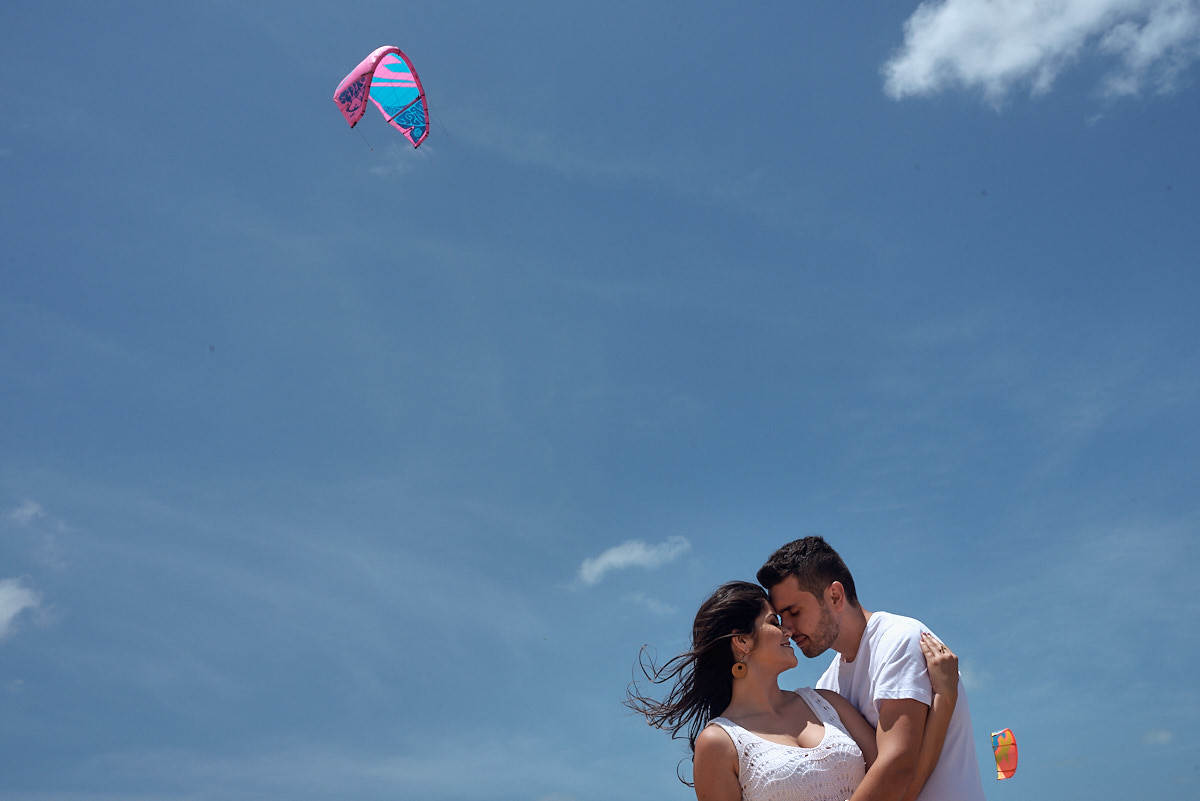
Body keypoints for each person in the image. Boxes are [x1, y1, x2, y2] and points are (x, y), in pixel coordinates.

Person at [626, 581, 961, 801]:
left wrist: (944, 700)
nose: (788, 630)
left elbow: (904, 783)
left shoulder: (828, 703)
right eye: (774, 621)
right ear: (742, 641)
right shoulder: (719, 743)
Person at [757, 537, 985, 801]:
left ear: (835, 596)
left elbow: (897, 769)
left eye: (794, 612)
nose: (787, 628)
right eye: (782, 618)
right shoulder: (827, 686)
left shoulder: (899, 642)